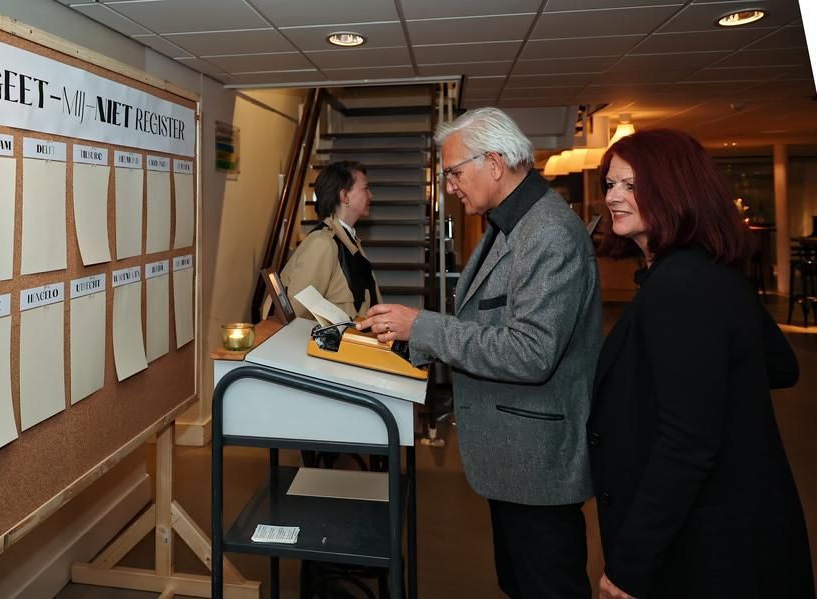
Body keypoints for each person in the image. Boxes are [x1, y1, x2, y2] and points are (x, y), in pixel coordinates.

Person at [358, 107, 602, 599]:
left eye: (453, 173)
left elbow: (531, 352)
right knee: (519, 583)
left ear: (493, 162)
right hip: (510, 453)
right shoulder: (508, 225)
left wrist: (421, 326)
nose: (450, 186)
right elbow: (483, 326)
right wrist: (410, 338)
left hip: (537, 462)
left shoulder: (548, 233)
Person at [588, 128, 814, 599]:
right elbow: (778, 364)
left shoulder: (681, 286)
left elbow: (687, 443)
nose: (613, 197)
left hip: (707, 541)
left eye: (630, 185)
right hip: (737, 522)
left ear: (674, 188)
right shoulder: (707, 271)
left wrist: (629, 566)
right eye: (610, 184)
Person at [280, 160, 380, 321]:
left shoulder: (348, 241)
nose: (371, 195)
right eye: (365, 189)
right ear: (345, 196)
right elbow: (297, 313)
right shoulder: (323, 244)